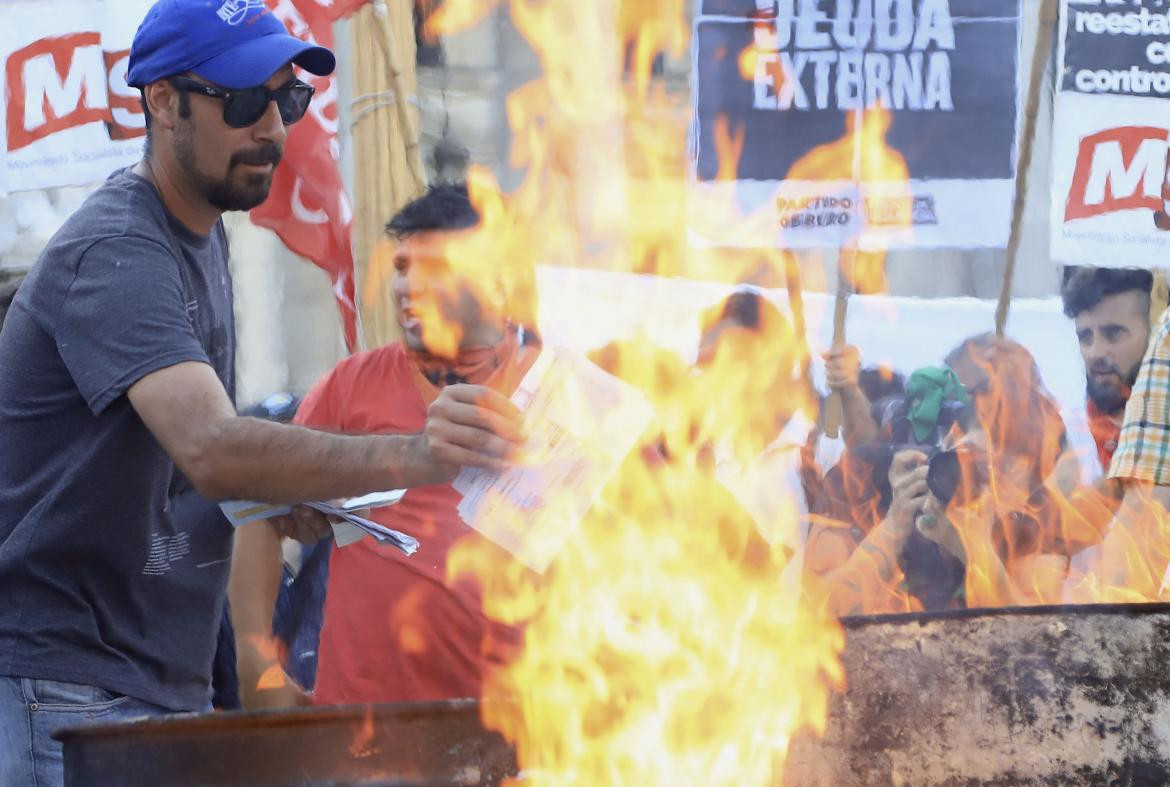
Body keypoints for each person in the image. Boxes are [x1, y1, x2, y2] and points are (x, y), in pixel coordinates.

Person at [0, 4, 520, 784]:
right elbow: (211, 447)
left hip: (144, 687)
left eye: (290, 100)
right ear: (163, 101)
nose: (274, 128)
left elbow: (178, 477)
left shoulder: (198, 237)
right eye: (244, 101)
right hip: (74, 690)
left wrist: (288, 501)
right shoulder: (120, 248)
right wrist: (416, 454)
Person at [229, 183, 540, 708]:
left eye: (435, 267)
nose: (407, 285)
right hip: (362, 724)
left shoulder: (558, 390)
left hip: (528, 729)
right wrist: (258, 669)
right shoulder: (350, 386)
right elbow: (261, 510)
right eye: (400, 266)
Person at [1060, 267, 1153, 485]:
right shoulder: (1061, 435)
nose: (1096, 352)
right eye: (1085, 337)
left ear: (1154, 332)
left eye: (1113, 334)